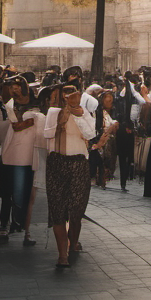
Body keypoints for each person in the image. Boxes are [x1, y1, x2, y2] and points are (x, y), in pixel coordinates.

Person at [43, 84, 96, 269]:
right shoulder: (53, 112)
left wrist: (77, 114)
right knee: (57, 210)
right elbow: (47, 135)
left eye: (72, 95)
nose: (68, 98)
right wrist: (62, 119)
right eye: (65, 95)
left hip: (78, 164)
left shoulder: (85, 112)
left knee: (76, 210)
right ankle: (62, 254)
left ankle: (73, 243)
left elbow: (91, 134)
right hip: (57, 163)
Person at [0, 78, 42, 247]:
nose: (14, 91)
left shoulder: (36, 103)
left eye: (17, 87)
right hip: (11, 153)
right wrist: (27, 123)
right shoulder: (6, 105)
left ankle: (26, 230)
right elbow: (15, 126)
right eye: (12, 88)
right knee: (7, 192)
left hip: (31, 154)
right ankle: (3, 226)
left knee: (29, 195)